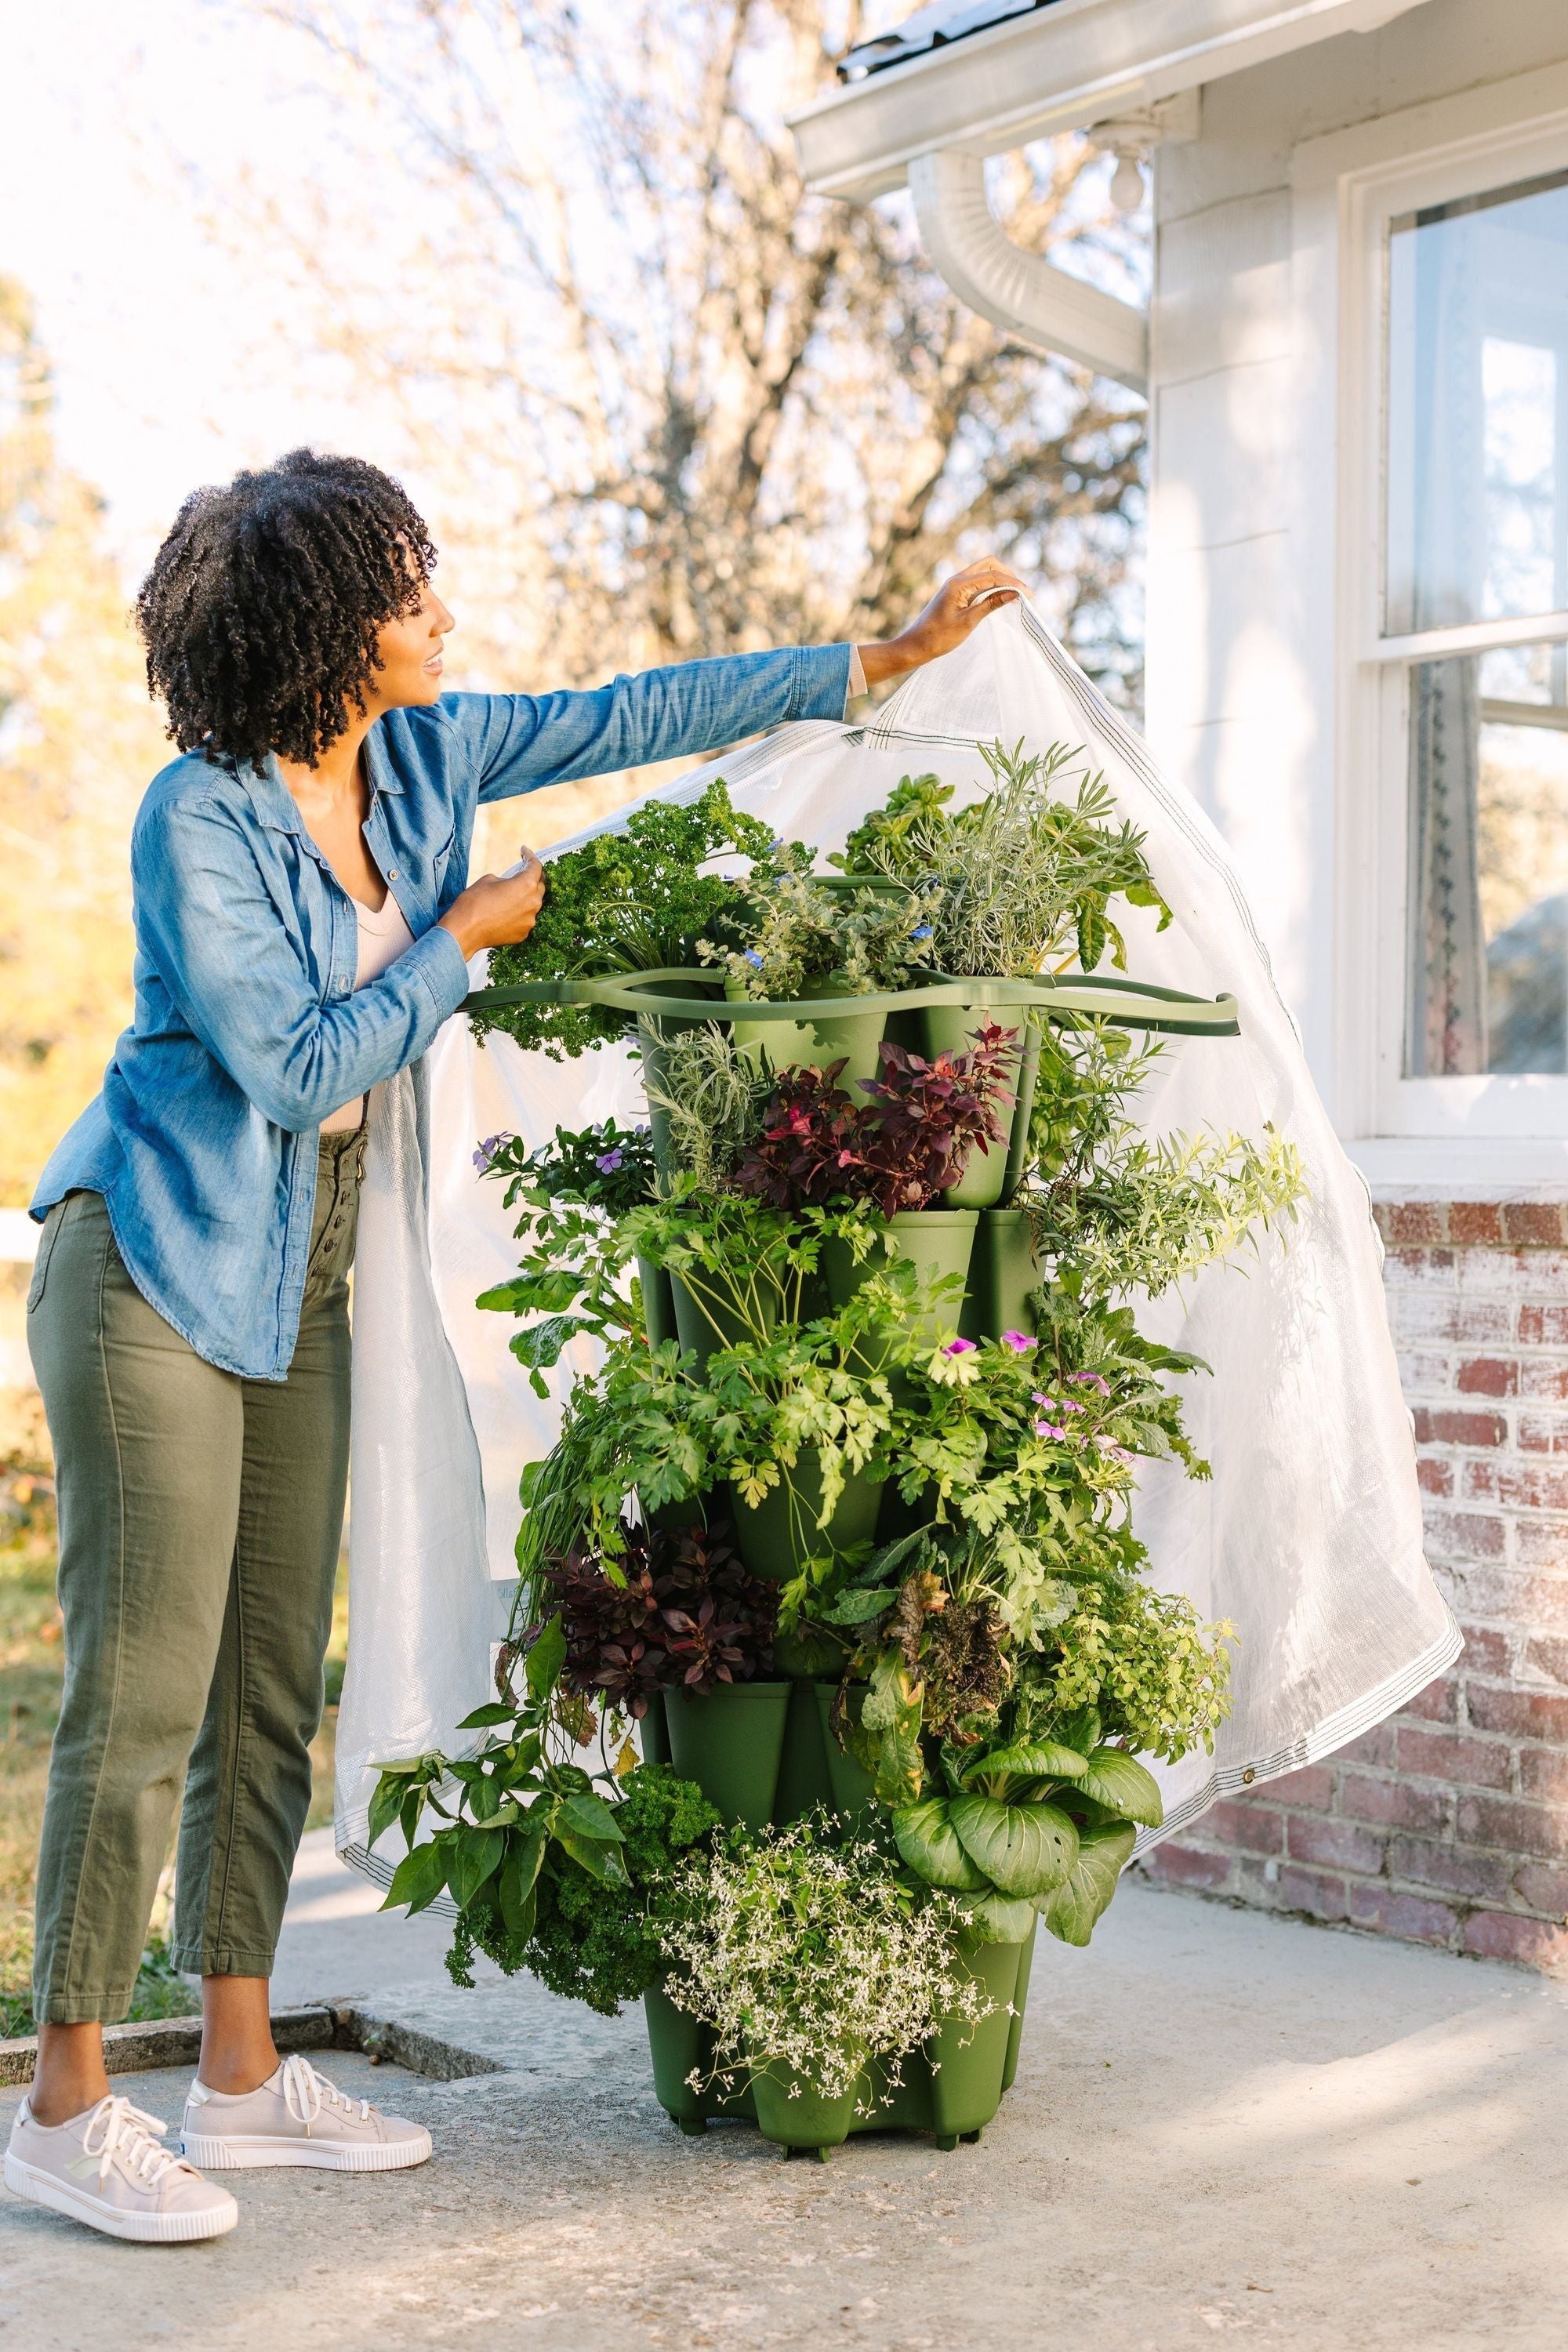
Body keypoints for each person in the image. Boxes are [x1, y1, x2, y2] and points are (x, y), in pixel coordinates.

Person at [2, 446, 1022, 2242]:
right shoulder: (198, 819)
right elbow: (299, 1066)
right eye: (410, 588)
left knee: (260, 1684)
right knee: (141, 1693)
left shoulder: (418, 756)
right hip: (155, 1262)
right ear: (325, 623)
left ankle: (235, 2078)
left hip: (303, 1272)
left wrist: (875, 661)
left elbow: (627, 710)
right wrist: (464, 939)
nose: (440, 613)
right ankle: (67, 2096)